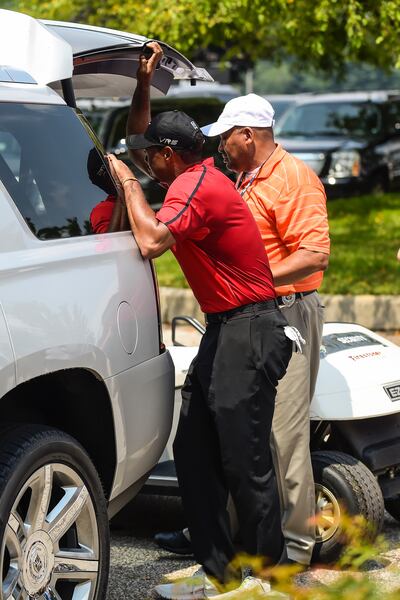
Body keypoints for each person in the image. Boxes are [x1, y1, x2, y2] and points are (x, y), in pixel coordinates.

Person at [108, 44, 292, 600]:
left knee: (245, 458)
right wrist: (143, 86)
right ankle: (221, 574)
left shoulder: (198, 187)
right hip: (224, 327)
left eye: (148, 157)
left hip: (252, 327)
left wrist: (130, 187)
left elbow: (151, 240)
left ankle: (269, 578)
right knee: (193, 452)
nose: (141, 162)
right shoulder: (186, 174)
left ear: (169, 156)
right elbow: (144, 133)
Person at [156, 93, 330, 568]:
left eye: (226, 138)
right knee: (234, 433)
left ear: (247, 135)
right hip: (248, 313)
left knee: (280, 435)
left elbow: (314, 255)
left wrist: (251, 279)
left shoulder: (294, 178)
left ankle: (293, 549)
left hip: (286, 311)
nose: (220, 147)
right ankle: (231, 537)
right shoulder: (241, 178)